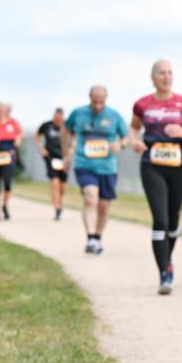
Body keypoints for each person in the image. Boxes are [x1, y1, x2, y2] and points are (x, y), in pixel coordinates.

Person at [129, 59, 182, 295]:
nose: (166, 77)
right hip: (152, 165)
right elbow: (134, 128)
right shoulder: (142, 104)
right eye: (161, 73)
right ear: (153, 77)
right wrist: (134, 141)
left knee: (173, 220)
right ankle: (165, 272)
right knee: (160, 219)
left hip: (178, 166)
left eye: (170, 72)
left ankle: (166, 259)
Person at [62, 86, 129, 255]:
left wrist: (120, 144)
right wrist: (66, 153)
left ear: (106, 99)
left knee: (104, 206)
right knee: (90, 197)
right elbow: (65, 130)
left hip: (107, 167)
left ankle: (98, 237)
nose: (98, 106)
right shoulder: (78, 113)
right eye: (94, 102)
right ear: (89, 98)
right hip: (84, 164)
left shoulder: (114, 115)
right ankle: (91, 238)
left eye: (101, 102)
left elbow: (127, 137)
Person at [36, 108, 68, 221]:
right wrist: (41, 149)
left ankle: (59, 201)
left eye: (60, 119)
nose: (58, 121)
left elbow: (74, 138)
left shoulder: (67, 126)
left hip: (63, 158)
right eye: (56, 119)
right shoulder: (46, 126)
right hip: (50, 157)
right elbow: (37, 136)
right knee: (54, 183)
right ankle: (57, 207)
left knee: (62, 186)